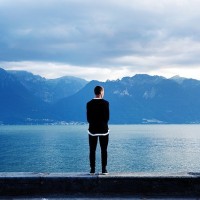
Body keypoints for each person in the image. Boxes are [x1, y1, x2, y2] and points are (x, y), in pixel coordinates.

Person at [86, 86, 110, 175]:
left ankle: (92, 169)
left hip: (92, 130)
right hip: (104, 130)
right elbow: (107, 118)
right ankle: (104, 169)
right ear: (101, 92)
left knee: (92, 150)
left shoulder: (89, 104)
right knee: (104, 150)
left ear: (94, 92)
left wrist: (94, 124)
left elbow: (88, 118)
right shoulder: (106, 103)